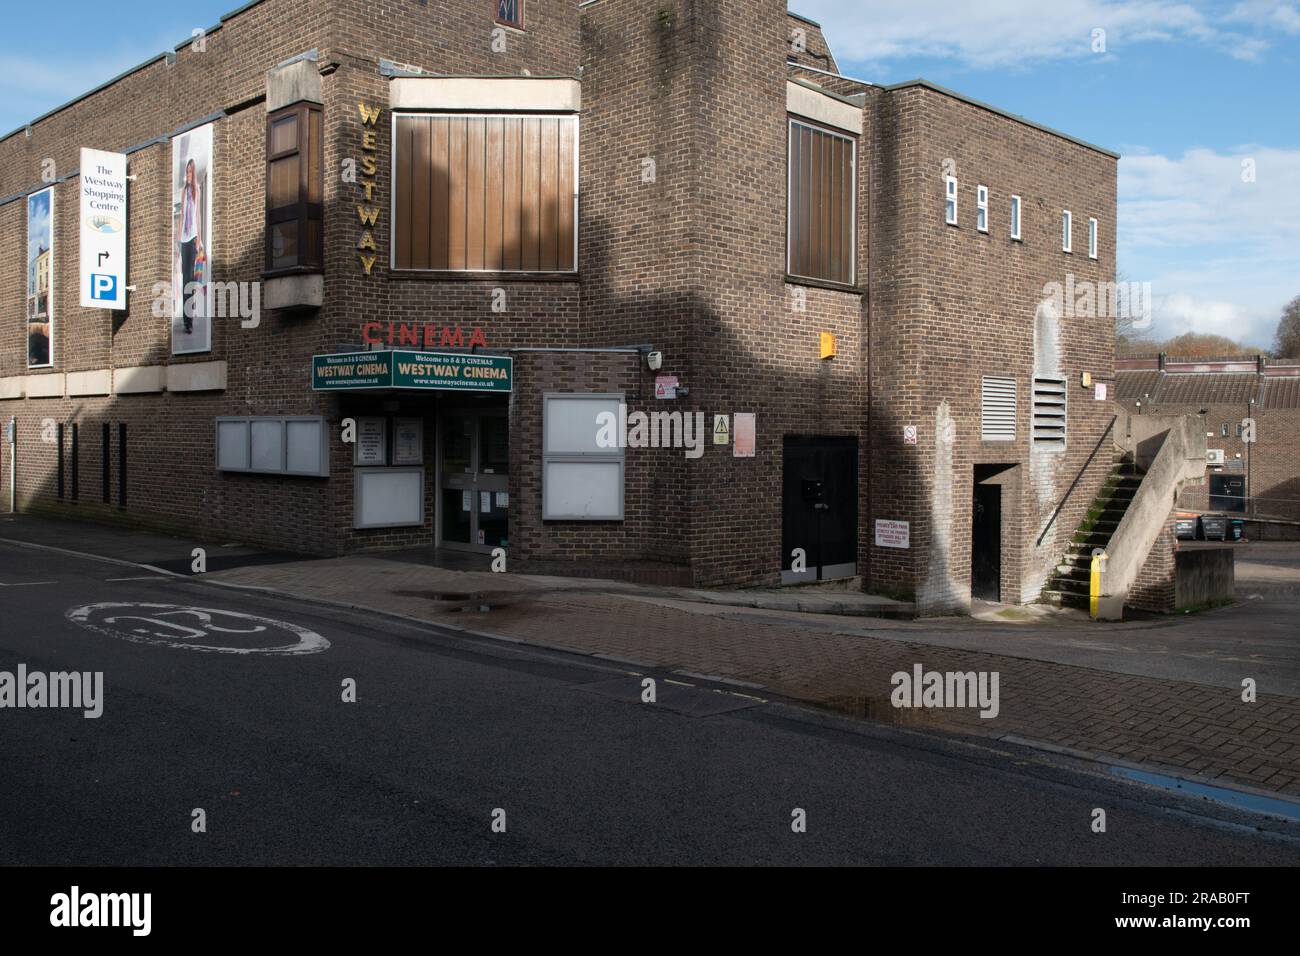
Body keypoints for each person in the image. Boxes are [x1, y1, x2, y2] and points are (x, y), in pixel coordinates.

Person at [176, 157, 204, 335]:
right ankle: (188, 321)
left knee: (192, 280)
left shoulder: (196, 190)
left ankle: (190, 317)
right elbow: (181, 217)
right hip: (184, 239)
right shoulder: (183, 191)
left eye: (190, 172)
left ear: (193, 174)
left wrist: (199, 239)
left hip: (193, 236)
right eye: (186, 172)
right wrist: (178, 241)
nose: (187, 175)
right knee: (186, 279)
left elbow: (197, 215)